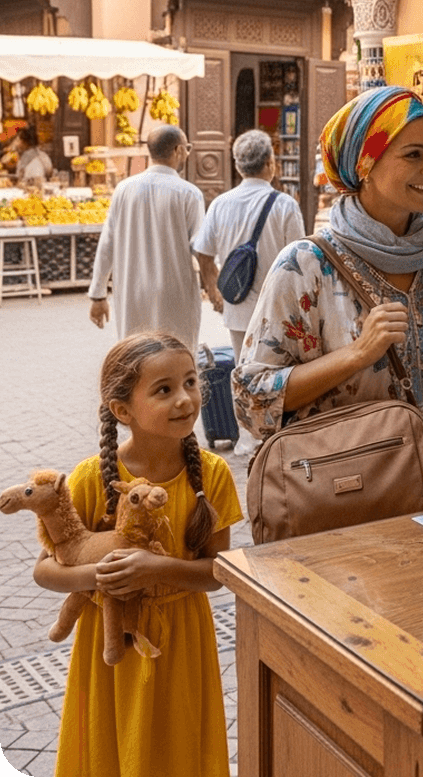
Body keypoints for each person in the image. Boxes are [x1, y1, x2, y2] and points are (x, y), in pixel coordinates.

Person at [232, 87, 423, 500]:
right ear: (365, 163)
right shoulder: (305, 266)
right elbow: (251, 399)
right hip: (357, 496)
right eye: (413, 154)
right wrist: (356, 354)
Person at [35, 332, 242, 777]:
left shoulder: (213, 473)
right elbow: (45, 571)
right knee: (111, 749)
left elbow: (218, 571)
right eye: (164, 389)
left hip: (182, 638)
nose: (185, 399)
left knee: (180, 745)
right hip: (108, 647)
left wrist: (158, 568)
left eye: (190, 382)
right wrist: (98, 576)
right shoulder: (93, 479)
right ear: (122, 410)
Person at [87, 125, 205, 352]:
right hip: (175, 295)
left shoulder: (123, 189)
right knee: (175, 358)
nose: (187, 154)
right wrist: (214, 284)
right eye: (187, 148)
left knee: (134, 359)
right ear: (179, 150)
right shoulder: (189, 193)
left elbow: (107, 243)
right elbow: (200, 249)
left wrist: (98, 294)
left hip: (131, 292)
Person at [193, 129, 304, 361]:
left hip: (237, 308)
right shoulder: (285, 205)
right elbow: (299, 260)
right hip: (277, 310)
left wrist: (215, 292)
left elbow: (203, 253)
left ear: (238, 166)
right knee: (278, 376)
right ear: (269, 163)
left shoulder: (219, 204)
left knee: (243, 372)